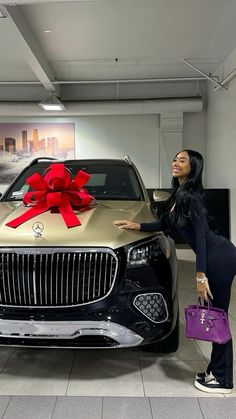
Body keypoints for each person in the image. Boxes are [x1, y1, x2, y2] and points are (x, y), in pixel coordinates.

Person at [113, 149, 236, 394]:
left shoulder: (192, 195)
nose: (176, 163)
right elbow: (165, 224)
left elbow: (200, 235)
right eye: (175, 159)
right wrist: (136, 225)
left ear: (194, 167)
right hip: (213, 255)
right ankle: (216, 369)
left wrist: (200, 274)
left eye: (183, 161)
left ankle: (224, 380)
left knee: (218, 319)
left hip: (219, 258)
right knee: (215, 316)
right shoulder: (179, 194)